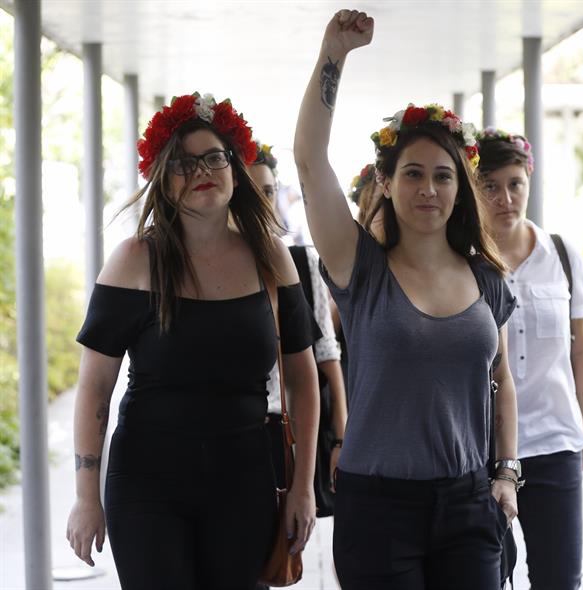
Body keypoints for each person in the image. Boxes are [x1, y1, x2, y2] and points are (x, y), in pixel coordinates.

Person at [294, 10, 521, 589]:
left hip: (469, 503)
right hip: (379, 508)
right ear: (387, 184)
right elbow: (309, 160)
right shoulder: (360, 268)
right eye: (413, 174)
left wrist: (506, 474)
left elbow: (501, 380)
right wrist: (332, 56)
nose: (428, 189)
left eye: (443, 176)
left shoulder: (486, 279)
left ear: (459, 187)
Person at [66, 93, 319, 589]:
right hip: (146, 484)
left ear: (234, 167)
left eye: (213, 157)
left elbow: (304, 380)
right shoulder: (134, 260)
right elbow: (94, 388)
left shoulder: (271, 257)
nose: (201, 170)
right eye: (183, 164)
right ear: (163, 178)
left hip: (244, 478)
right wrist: (85, 496)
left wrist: (303, 489)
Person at [476, 128, 583, 590]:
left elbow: (580, 347)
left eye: (515, 183)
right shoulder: (462, 261)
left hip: (555, 445)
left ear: (529, 182)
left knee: (559, 578)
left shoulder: (562, 255)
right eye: (490, 185)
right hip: (482, 451)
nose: (505, 198)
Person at [248, 141, 347, 504]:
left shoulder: (302, 263)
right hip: (231, 430)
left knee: (282, 554)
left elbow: (325, 352)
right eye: (251, 190)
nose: (262, 201)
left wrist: (341, 433)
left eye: (269, 190)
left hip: (281, 428)